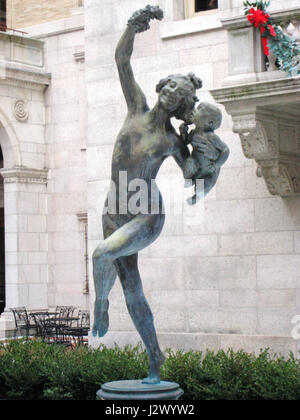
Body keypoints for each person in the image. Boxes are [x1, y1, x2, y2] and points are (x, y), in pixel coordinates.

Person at [92, 5, 210, 384]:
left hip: (147, 212)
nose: (174, 93)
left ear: (181, 107)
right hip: (114, 206)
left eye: (181, 94)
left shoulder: (173, 140)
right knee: (133, 288)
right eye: (172, 85)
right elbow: (121, 59)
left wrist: (207, 150)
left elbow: (192, 174)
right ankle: (155, 358)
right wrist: (133, 25)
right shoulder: (135, 107)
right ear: (161, 86)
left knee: (102, 253)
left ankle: (98, 302)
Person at [181, 102, 229, 204]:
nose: (194, 111)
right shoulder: (194, 133)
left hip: (208, 171)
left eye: (199, 109)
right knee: (189, 164)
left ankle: (195, 198)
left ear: (209, 122)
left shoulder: (211, 137)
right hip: (196, 164)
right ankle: (190, 180)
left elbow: (225, 150)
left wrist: (217, 164)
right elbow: (185, 142)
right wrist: (184, 133)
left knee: (202, 188)